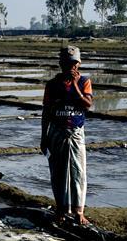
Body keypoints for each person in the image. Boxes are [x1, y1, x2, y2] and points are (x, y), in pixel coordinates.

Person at [40, 45, 93, 225]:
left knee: (78, 172)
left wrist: (76, 88)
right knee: (58, 172)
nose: (71, 67)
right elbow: (46, 112)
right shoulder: (52, 84)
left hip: (76, 132)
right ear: (61, 64)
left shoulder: (84, 82)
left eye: (74, 63)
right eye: (67, 63)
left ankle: (79, 212)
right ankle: (61, 210)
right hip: (56, 132)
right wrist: (43, 136)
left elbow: (87, 105)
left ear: (78, 64)